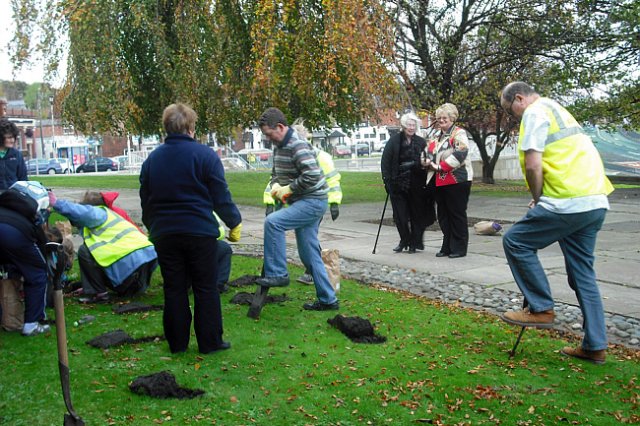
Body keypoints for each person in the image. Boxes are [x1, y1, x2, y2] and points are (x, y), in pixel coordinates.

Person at [499, 82, 614, 364]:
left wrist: (538, 199)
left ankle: (541, 308)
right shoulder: (558, 110)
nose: (514, 117)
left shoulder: (534, 113)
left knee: (515, 241)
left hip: (566, 201)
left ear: (519, 98)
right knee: (582, 274)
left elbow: (533, 164)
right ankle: (595, 345)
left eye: (510, 110)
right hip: (594, 200)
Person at [140, 103, 242, 354]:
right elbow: (221, 195)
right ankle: (210, 342)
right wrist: (234, 221)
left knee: (174, 288)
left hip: (165, 233)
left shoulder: (152, 160)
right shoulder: (205, 156)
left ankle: (177, 343)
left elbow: (146, 199)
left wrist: (152, 225)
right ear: (190, 127)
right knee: (205, 287)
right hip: (199, 232)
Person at [257, 107, 339, 311]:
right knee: (309, 253)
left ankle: (278, 274)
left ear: (281, 127)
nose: (268, 138)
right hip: (300, 201)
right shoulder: (278, 146)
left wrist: (289, 189)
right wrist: (276, 188)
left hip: (313, 201)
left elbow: (312, 175)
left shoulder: (297, 144)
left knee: (273, 223)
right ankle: (328, 300)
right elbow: (277, 174)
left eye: (269, 134)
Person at [49, 190, 158, 303]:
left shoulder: (99, 213)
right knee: (94, 252)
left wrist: (56, 203)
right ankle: (94, 289)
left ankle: (99, 293)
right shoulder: (112, 217)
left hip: (131, 273)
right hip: (139, 273)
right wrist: (87, 286)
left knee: (84, 251)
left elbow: (79, 212)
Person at [422, 103, 473, 258]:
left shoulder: (459, 133)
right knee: (443, 215)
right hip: (438, 182)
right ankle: (447, 246)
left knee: (456, 214)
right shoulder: (435, 136)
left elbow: (460, 154)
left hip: (457, 180)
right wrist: (424, 161)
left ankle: (459, 247)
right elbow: (426, 153)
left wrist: (439, 166)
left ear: (452, 118)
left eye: (444, 117)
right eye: (439, 118)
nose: (441, 120)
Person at [0, 181, 50, 336]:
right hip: (14, 234)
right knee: (38, 273)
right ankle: (32, 323)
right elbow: (41, 248)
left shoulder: (5, 205)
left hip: (9, 233)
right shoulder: (29, 219)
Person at [381, 112, 432, 253]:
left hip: (417, 183)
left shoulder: (421, 142)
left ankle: (415, 243)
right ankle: (404, 240)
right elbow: (385, 162)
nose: (411, 127)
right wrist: (387, 181)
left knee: (417, 214)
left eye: (413, 125)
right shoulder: (394, 141)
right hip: (398, 183)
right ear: (403, 125)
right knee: (400, 216)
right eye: (409, 125)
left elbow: (427, 160)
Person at [0, 118, 27, 191]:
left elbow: (23, 179)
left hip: (14, 195)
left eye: (14, 137)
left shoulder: (17, 155)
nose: (12, 140)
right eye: (9, 138)